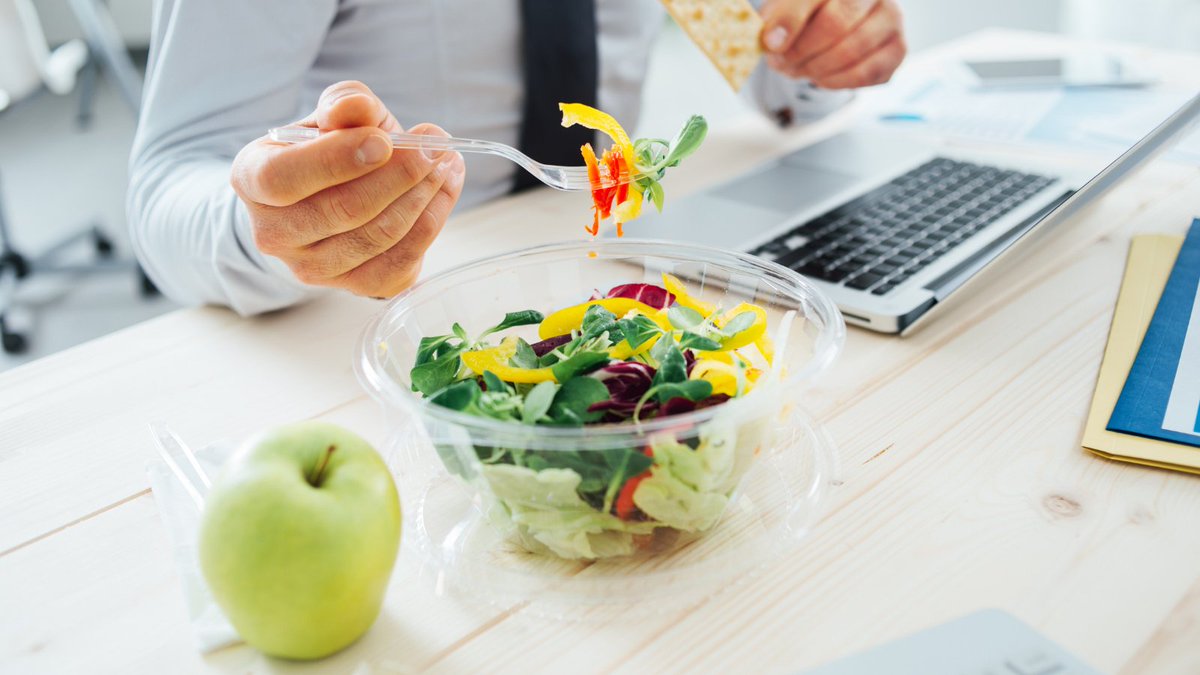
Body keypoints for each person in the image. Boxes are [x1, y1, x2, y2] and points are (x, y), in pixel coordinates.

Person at [127, 0, 906, 316]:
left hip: (616, 282)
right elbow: (170, 179)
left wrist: (835, 45)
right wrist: (283, 227)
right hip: (381, 322)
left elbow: (781, 74)